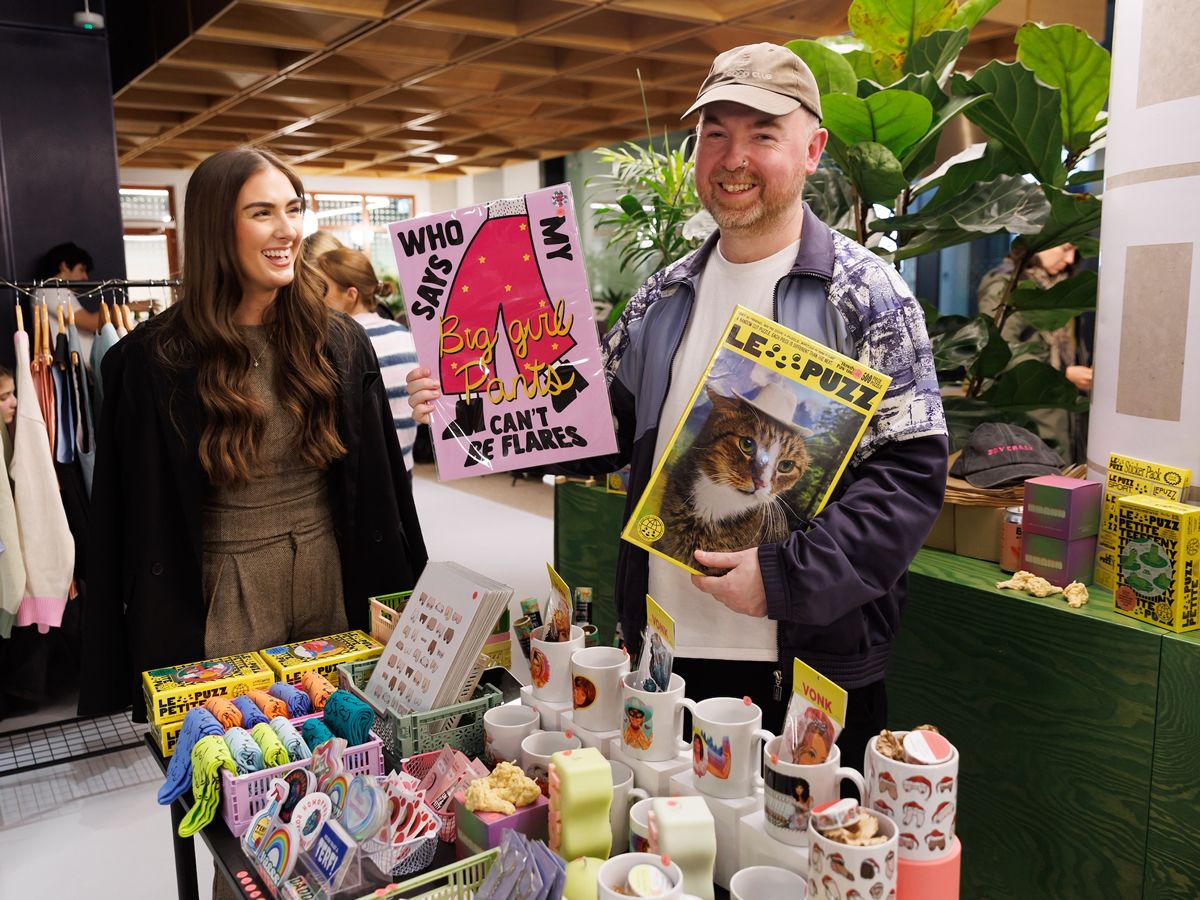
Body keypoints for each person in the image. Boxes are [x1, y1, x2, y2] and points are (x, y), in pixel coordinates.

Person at [408, 44, 947, 772]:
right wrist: (467, 407)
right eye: (715, 133)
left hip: (803, 663)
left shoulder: (866, 297)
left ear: (813, 148)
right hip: (663, 648)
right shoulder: (661, 297)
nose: (733, 158)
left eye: (763, 134)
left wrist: (787, 577)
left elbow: (908, 484)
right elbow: (599, 433)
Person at [79, 147, 428, 721]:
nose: (287, 230)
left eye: (293, 209)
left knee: (344, 747)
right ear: (218, 226)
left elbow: (380, 483)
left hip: (329, 574)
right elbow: (126, 516)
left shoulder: (338, 342)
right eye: (262, 212)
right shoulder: (152, 360)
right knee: (242, 758)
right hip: (222, 591)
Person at [977, 242, 1091, 460]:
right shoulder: (1007, 285)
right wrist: (1061, 374)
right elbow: (998, 349)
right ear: (1039, 241)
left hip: (1061, 408)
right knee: (1038, 481)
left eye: (1075, 251)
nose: (1070, 259)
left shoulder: (1060, 288)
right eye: (1065, 248)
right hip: (1027, 408)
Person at [317, 248, 419, 471]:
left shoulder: (342, 343)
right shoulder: (405, 336)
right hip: (404, 465)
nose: (315, 298)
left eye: (321, 289)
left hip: (364, 474)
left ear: (351, 295)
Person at [35, 242, 102, 365]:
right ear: (64, 266)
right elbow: (91, 323)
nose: (85, 277)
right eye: (81, 270)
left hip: (75, 372)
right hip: (68, 373)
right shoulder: (52, 290)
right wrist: (131, 307)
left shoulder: (56, 290)